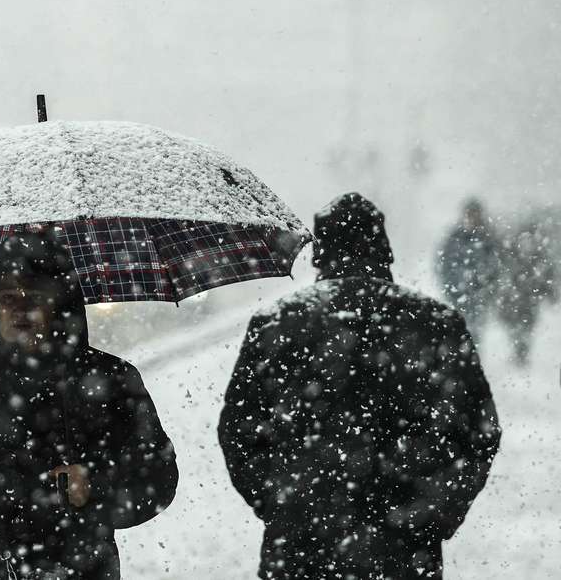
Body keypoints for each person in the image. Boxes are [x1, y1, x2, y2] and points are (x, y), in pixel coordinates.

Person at [218, 193, 501, 580]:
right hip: (404, 545)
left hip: (303, 543)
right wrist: (431, 512)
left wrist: (283, 504)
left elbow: (238, 429)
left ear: (320, 254)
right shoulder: (435, 323)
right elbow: (477, 433)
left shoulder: (277, 324)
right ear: (384, 249)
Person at [0, 230, 178, 580]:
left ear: (58, 304)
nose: (21, 309)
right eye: (9, 298)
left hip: (76, 568)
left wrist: (93, 486)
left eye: (35, 297)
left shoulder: (110, 379)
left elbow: (157, 477)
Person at [436, 198, 501, 344]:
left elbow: (495, 266)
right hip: (457, 296)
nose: (472, 218)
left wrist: (485, 285)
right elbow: (443, 266)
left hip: (479, 298)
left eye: (475, 214)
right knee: (456, 334)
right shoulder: (454, 239)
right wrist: (452, 287)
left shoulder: (488, 239)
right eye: (470, 214)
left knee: (474, 336)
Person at [496, 218, 558, 365]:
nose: (526, 244)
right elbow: (502, 276)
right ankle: (519, 350)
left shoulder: (539, 259)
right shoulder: (510, 256)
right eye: (524, 241)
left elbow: (547, 279)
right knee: (515, 328)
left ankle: (521, 353)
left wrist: (550, 294)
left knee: (526, 328)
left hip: (530, 301)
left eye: (530, 241)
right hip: (512, 300)